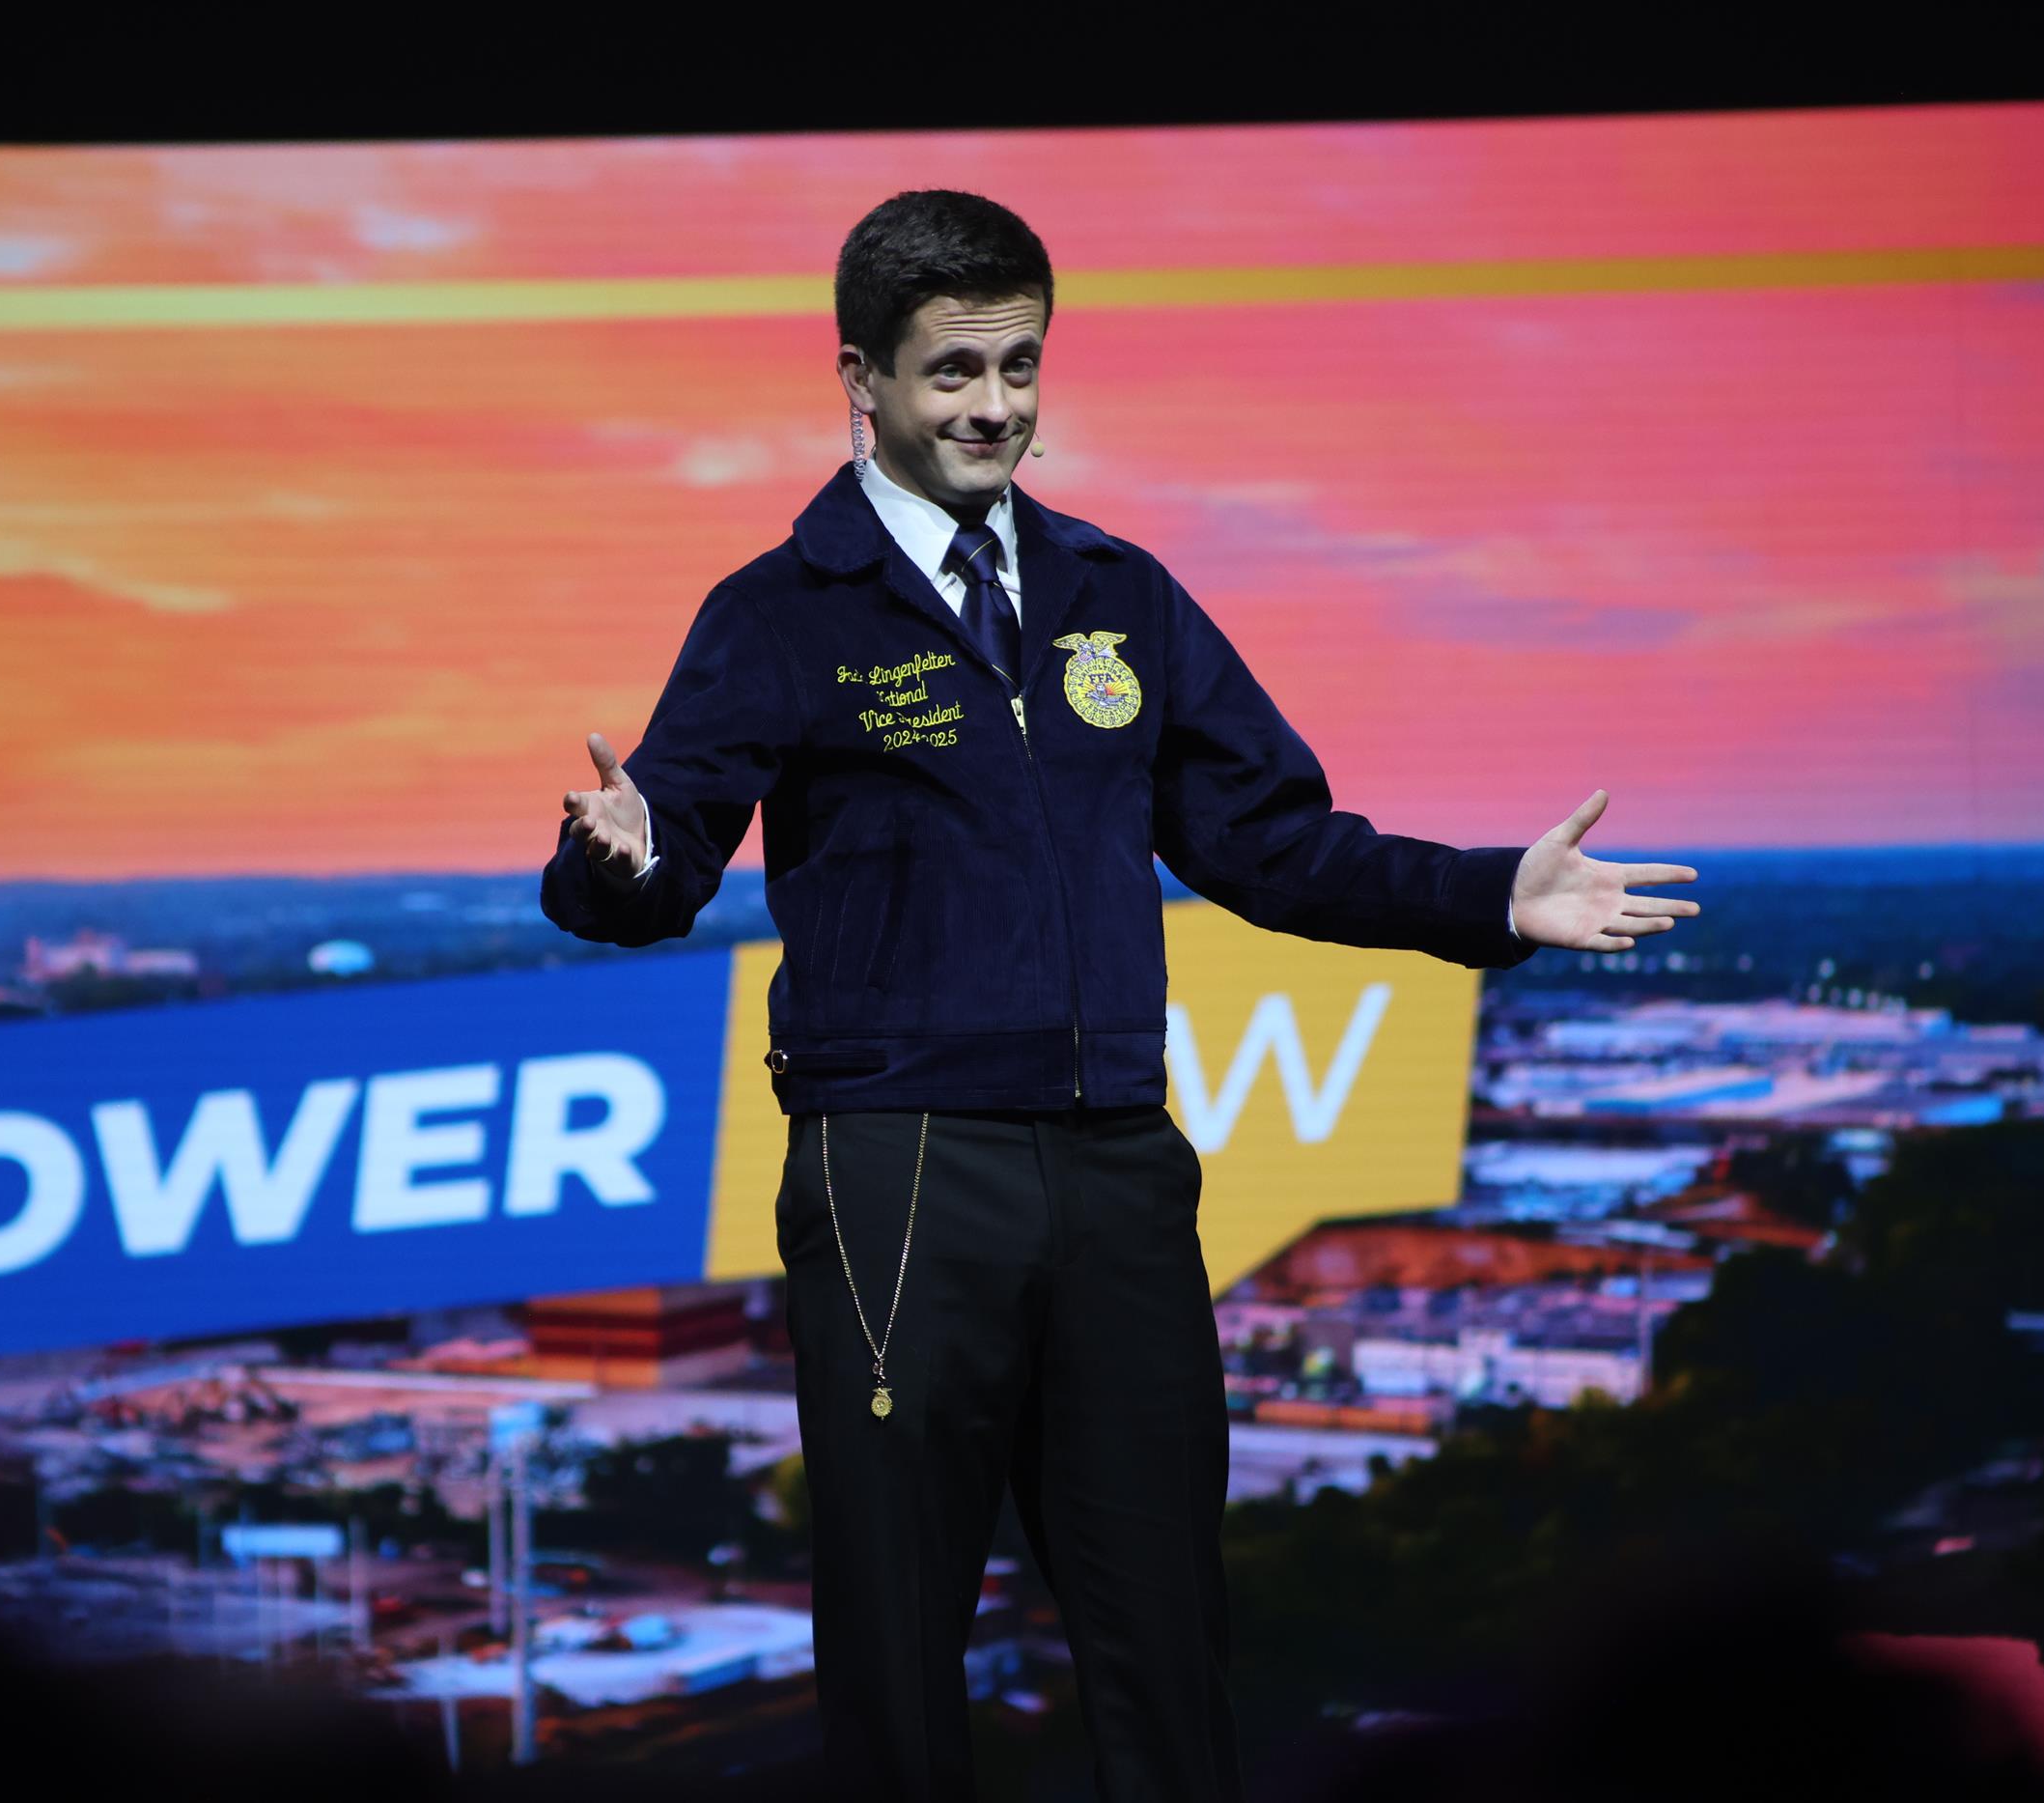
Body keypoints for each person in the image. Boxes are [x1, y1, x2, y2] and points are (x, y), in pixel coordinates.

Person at [540, 188, 1700, 1803]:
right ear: (860, 379)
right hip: (903, 1170)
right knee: (898, 1640)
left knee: (1165, 1628)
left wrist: (1491, 894)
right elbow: (659, 863)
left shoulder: (1118, 594)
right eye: (953, 370)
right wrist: (613, 857)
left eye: (1019, 365)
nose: (993, 406)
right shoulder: (781, 613)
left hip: (1119, 1168)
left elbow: (1273, 842)